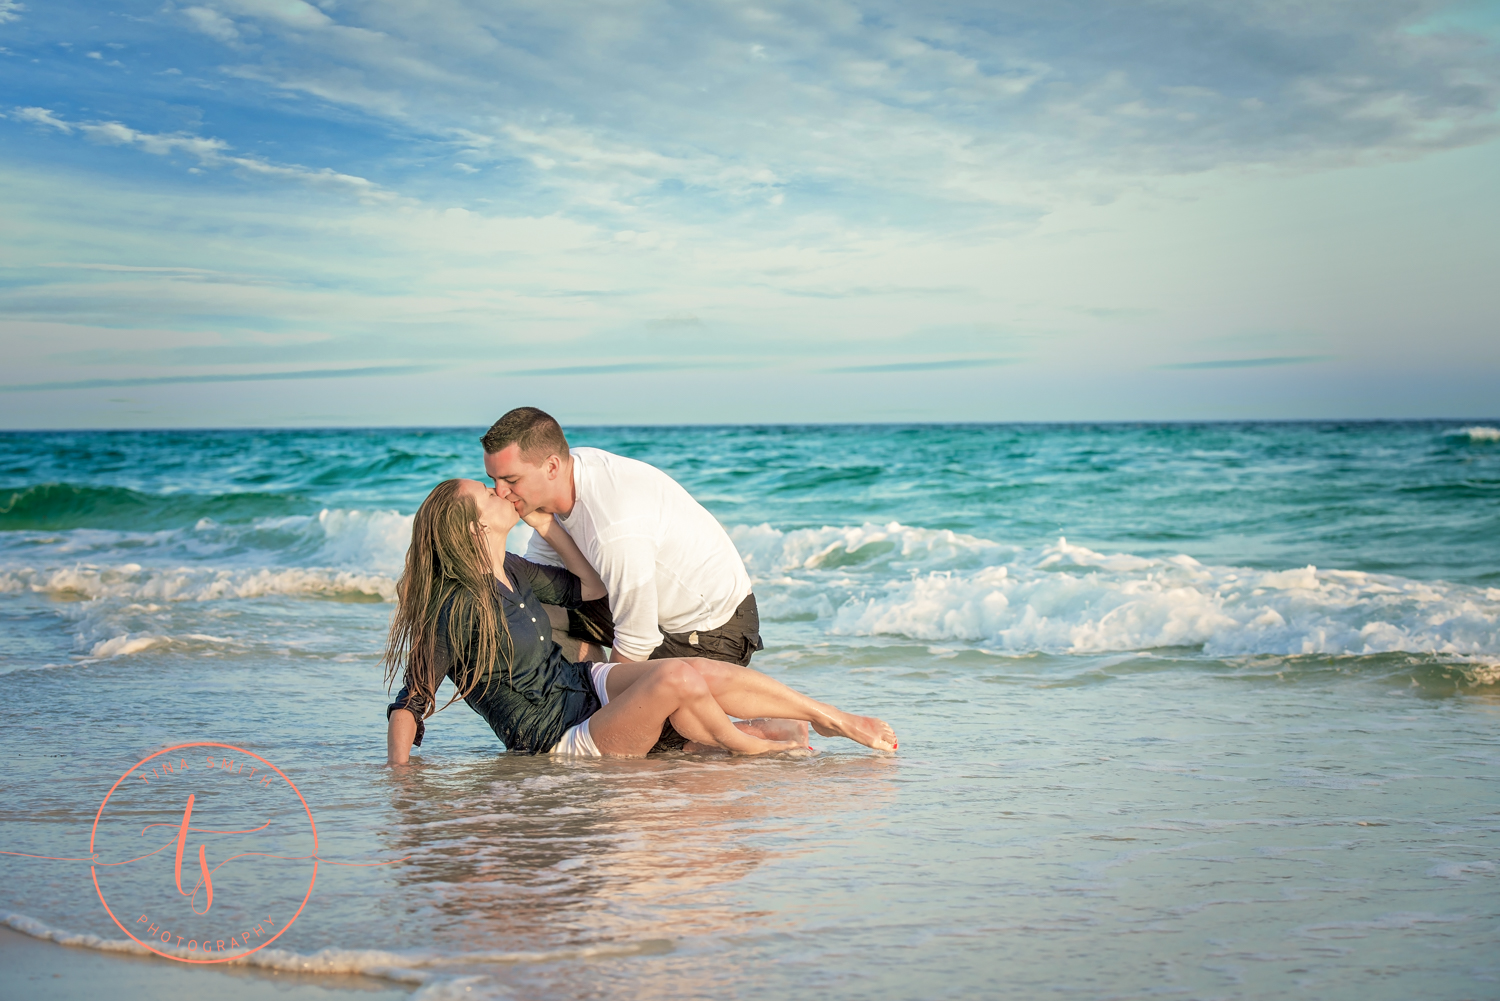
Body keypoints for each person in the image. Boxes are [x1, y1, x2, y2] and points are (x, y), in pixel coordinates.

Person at [383, 478, 898, 762]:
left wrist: (550, 526)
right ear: (474, 528)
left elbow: (590, 590)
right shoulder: (449, 607)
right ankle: (752, 745)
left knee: (696, 668)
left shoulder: (513, 569)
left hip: (582, 684)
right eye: (489, 494)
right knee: (676, 676)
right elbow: (412, 700)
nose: (503, 492)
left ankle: (832, 718)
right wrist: (398, 782)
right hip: (560, 736)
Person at [480, 408, 762, 670]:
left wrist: (611, 715)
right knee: (527, 610)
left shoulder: (613, 527)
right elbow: (539, 580)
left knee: (631, 724)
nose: (500, 492)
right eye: (494, 480)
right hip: (649, 619)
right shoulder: (566, 474)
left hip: (711, 634)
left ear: (552, 467)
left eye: (511, 480)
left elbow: (638, 639)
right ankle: (584, 699)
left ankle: (775, 726)